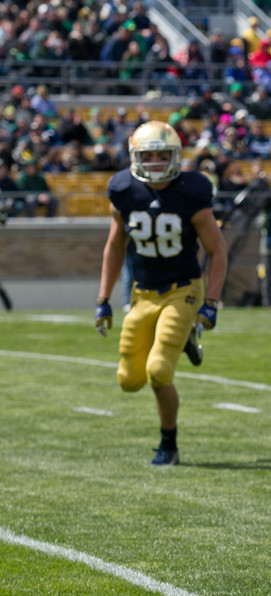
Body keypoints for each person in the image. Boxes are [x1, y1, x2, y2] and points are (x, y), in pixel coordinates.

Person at [94, 121, 228, 466]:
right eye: (148, 155)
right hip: (142, 293)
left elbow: (217, 250)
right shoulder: (123, 189)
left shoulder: (190, 191)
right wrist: (103, 299)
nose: (154, 162)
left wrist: (211, 302)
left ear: (176, 157)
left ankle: (168, 444)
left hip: (182, 289)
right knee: (128, 380)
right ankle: (186, 338)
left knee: (158, 371)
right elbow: (114, 246)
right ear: (134, 157)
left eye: (162, 155)